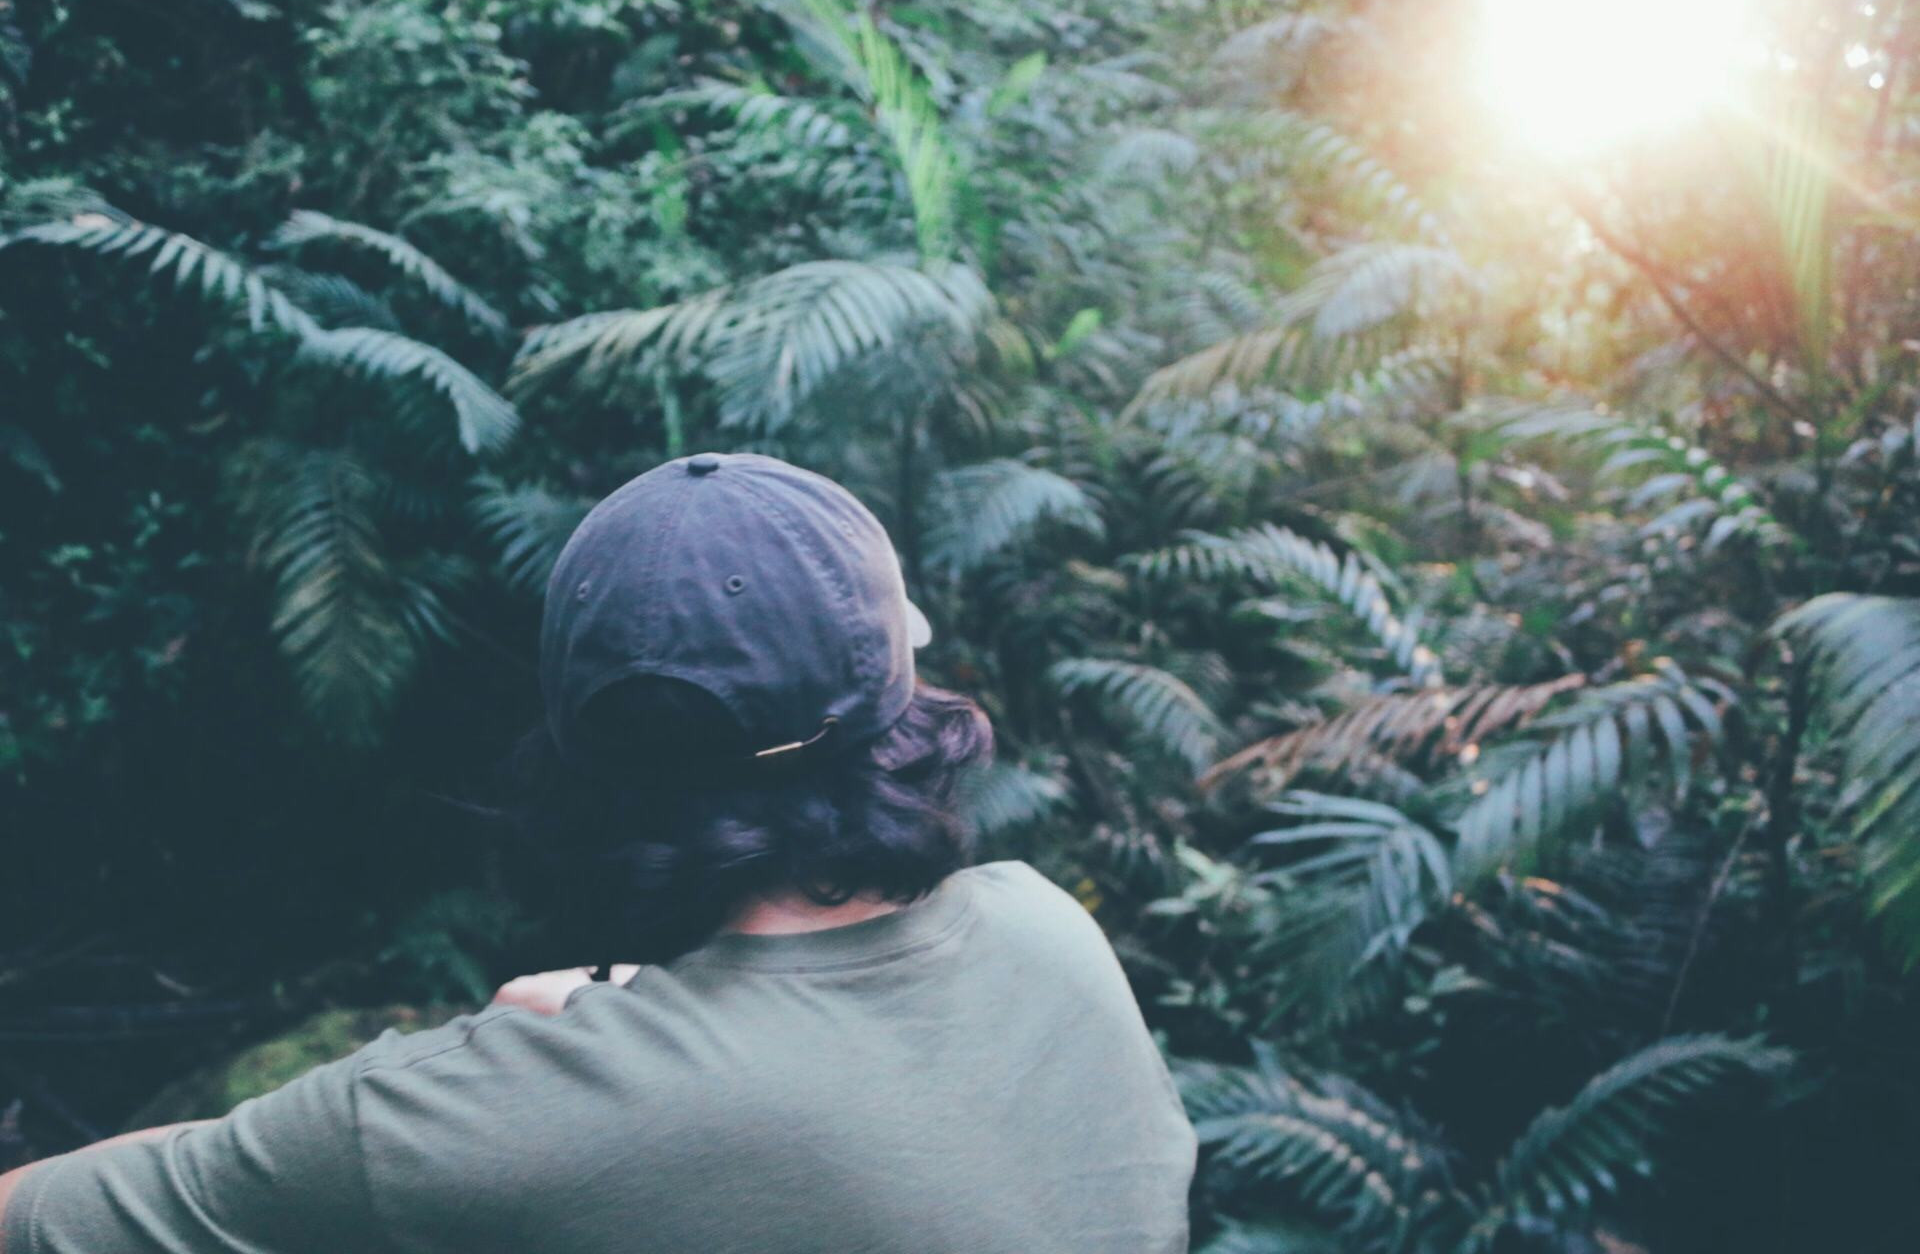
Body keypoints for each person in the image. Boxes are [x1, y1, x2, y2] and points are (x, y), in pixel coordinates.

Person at [0, 452, 1197, 1253]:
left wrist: (575, 1055)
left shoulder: (487, 1121)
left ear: (582, 769)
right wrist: (627, 1020)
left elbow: (41, 1219)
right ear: (904, 710)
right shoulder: (1047, 931)